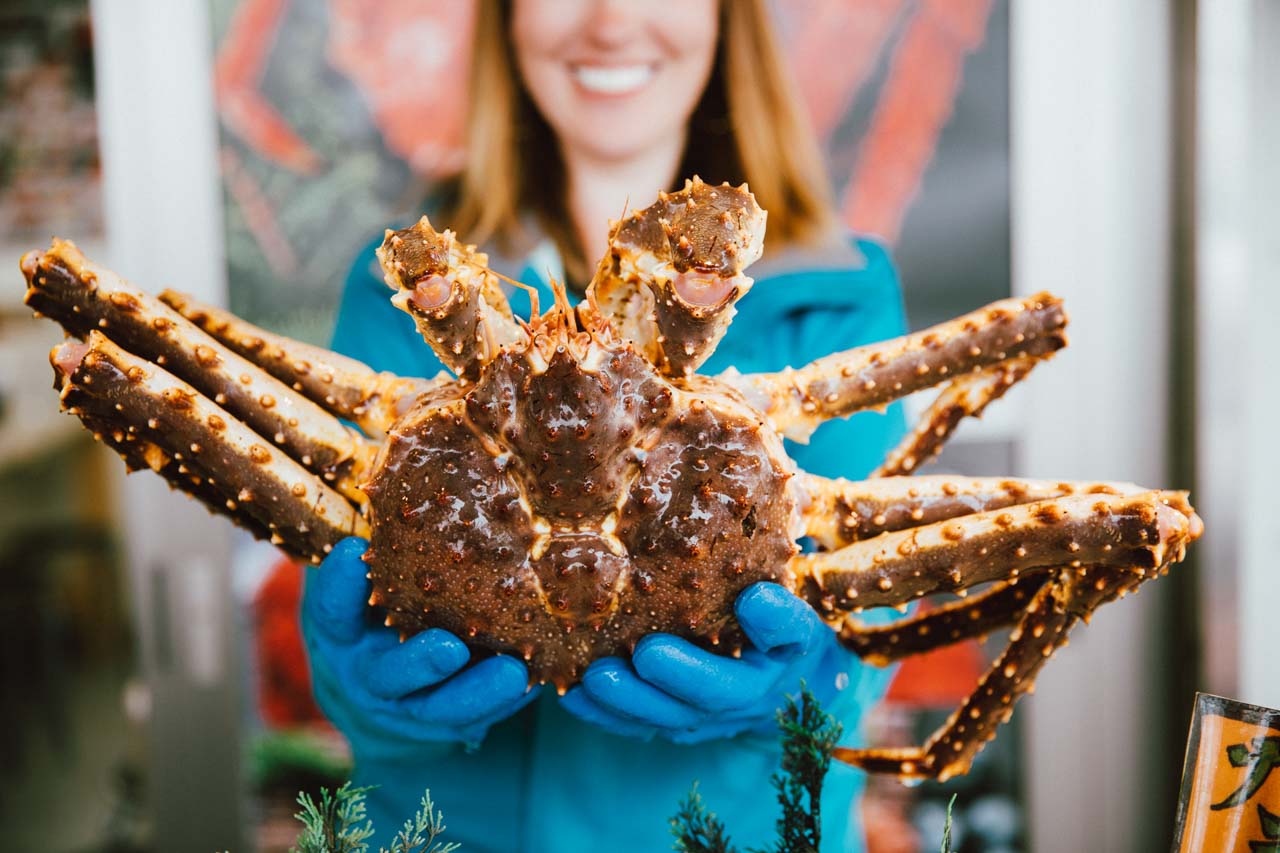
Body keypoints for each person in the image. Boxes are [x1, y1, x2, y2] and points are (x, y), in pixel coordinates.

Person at [302, 2, 909, 849]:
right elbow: (339, 581)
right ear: (507, 20)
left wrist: (816, 676)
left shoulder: (839, 297)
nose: (612, 20)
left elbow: (878, 618)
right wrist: (353, 676)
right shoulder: (395, 293)